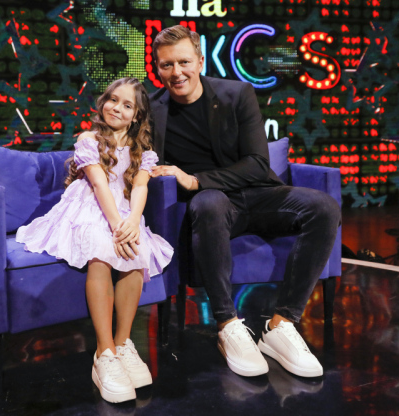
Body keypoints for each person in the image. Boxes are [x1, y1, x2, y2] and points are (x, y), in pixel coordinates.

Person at [149, 25, 340, 379]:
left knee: (324, 207)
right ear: (157, 68)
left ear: (200, 61)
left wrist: (195, 179)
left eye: (184, 62)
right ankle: (228, 325)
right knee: (208, 203)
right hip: (212, 206)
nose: (177, 72)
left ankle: (282, 324)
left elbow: (257, 164)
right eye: (166, 65)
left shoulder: (237, 93)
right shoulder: (151, 108)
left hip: (257, 194)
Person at [16, 77, 173, 403]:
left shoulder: (143, 150)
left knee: (136, 251)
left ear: (137, 115)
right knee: (102, 252)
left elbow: (140, 187)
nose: (116, 108)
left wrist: (132, 221)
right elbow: (100, 186)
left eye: (127, 105)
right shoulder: (89, 139)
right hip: (89, 207)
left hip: (124, 211)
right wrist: (117, 226)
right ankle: (104, 352)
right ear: (103, 102)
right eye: (113, 99)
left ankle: (123, 343)